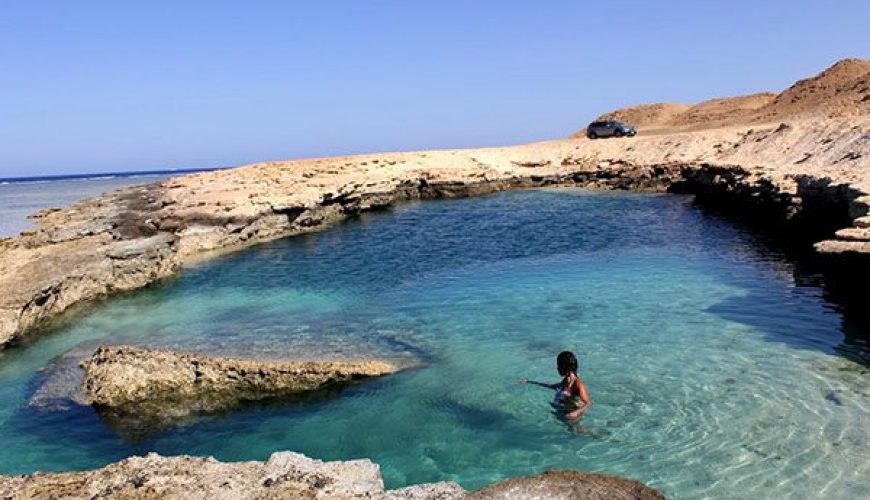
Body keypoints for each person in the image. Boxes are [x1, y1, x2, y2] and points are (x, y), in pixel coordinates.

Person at [519, 350, 592, 422]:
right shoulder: (565, 381)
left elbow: (588, 403)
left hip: (571, 418)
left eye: (558, 365)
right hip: (562, 413)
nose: (557, 368)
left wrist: (575, 413)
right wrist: (530, 382)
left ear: (564, 367)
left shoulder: (578, 383)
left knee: (578, 432)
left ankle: (596, 433)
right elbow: (551, 386)